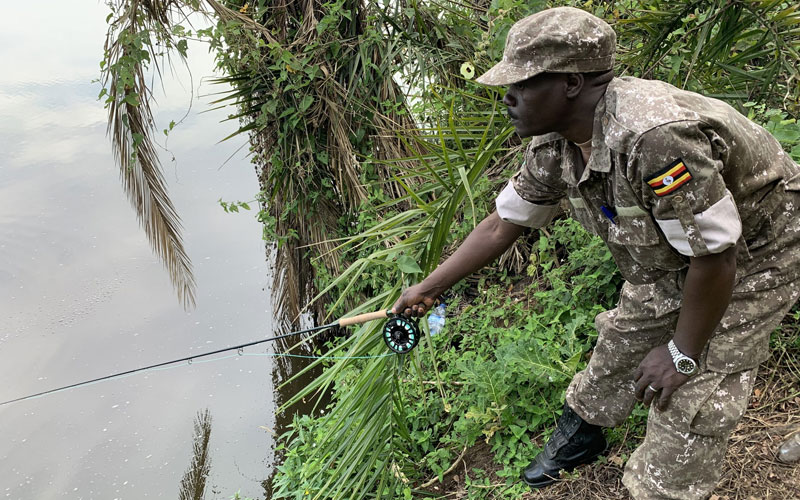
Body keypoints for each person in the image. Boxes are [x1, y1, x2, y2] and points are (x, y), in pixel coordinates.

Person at [391, 6, 800, 499]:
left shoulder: (653, 138)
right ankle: (584, 433)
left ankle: (663, 486)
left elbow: (715, 257)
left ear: (571, 83)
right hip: (679, 258)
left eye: (522, 84)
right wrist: (429, 287)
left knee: (694, 391)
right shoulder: (553, 144)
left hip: (763, 246)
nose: (508, 98)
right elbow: (505, 223)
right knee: (622, 341)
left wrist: (681, 354)